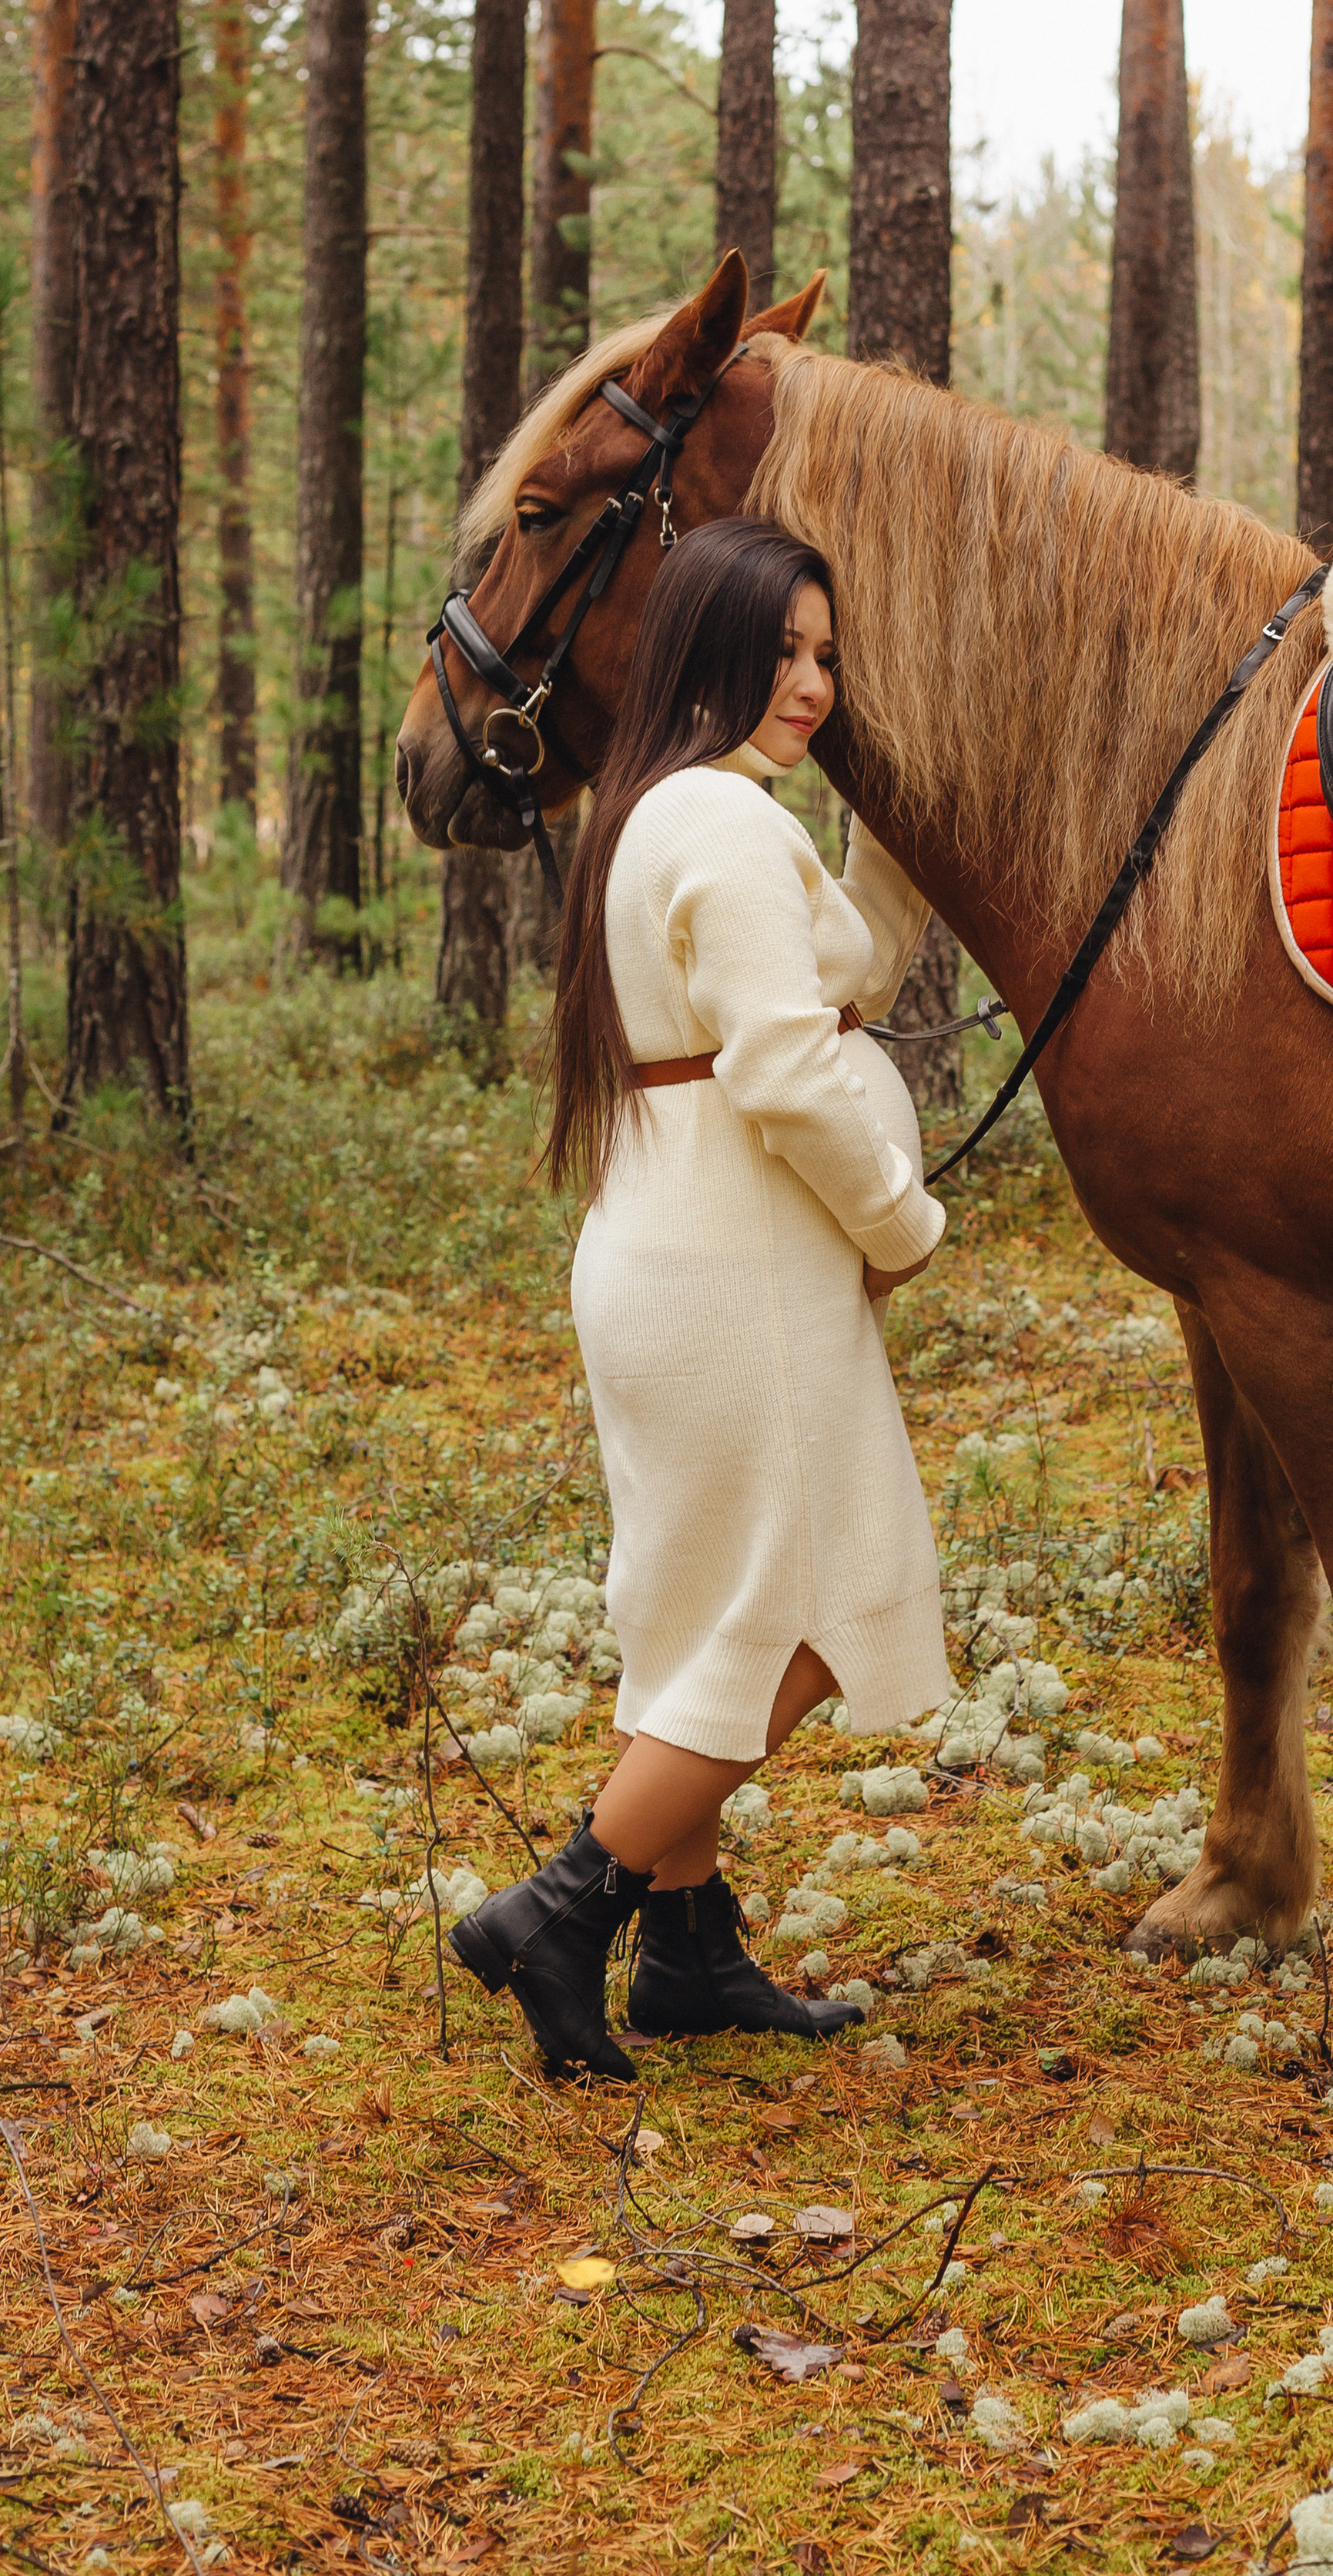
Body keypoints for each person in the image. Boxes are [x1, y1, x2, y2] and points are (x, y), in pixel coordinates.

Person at [450, 518, 952, 2076]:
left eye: (824, 653)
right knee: (803, 1605)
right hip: (735, 1261)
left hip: (669, 1241)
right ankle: (564, 1906)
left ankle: (682, 1946)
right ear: (708, 649)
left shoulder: (675, 812)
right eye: (781, 651)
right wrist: (899, 1217)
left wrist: (904, 809)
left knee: (689, 1608)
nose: (810, 681)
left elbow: (843, 960)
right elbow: (787, 1060)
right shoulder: (723, 828)